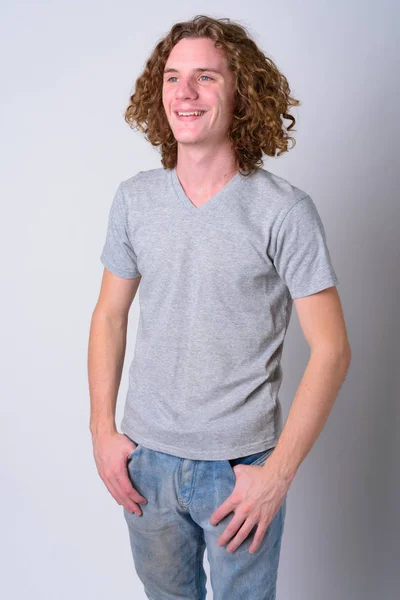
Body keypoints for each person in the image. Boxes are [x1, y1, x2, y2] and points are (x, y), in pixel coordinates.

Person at [88, 14, 351, 600]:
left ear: (241, 92)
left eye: (205, 77)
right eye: (173, 77)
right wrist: (102, 431)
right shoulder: (135, 200)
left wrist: (277, 474)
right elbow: (108, 315)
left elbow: (332, 349)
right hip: (146, 463)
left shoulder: (283, 211)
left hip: (239, 469)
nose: (184, 92)